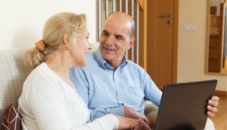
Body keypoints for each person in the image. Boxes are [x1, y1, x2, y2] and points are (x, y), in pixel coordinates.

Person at [69, 12, 219, 127]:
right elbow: (80, 115)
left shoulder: (137, 72)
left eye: (118, 37)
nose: (108, 42)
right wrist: (122, 112)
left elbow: (165, 101)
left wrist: (200, 105)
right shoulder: (82, 67)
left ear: (130, 43)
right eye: (105, 33)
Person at [18, 12, 151, 130]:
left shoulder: (63, 79)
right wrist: (113, 121)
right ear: (67, 40)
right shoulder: (43, 81)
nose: (90, 46)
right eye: (86, 37)